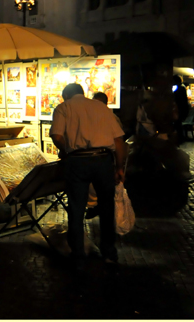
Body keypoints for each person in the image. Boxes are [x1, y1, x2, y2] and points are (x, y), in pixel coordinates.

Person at [49, 83, 127, 269]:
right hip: (103, 161)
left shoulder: (63, 107)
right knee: (106, 207)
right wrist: (119, 166)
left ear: (66, 95)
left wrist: (67, 149)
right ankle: (109, 253)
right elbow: (118, 140)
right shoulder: (101, 107)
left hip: (77, 161)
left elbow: (57, 136)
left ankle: (78, 255)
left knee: (76, 208)